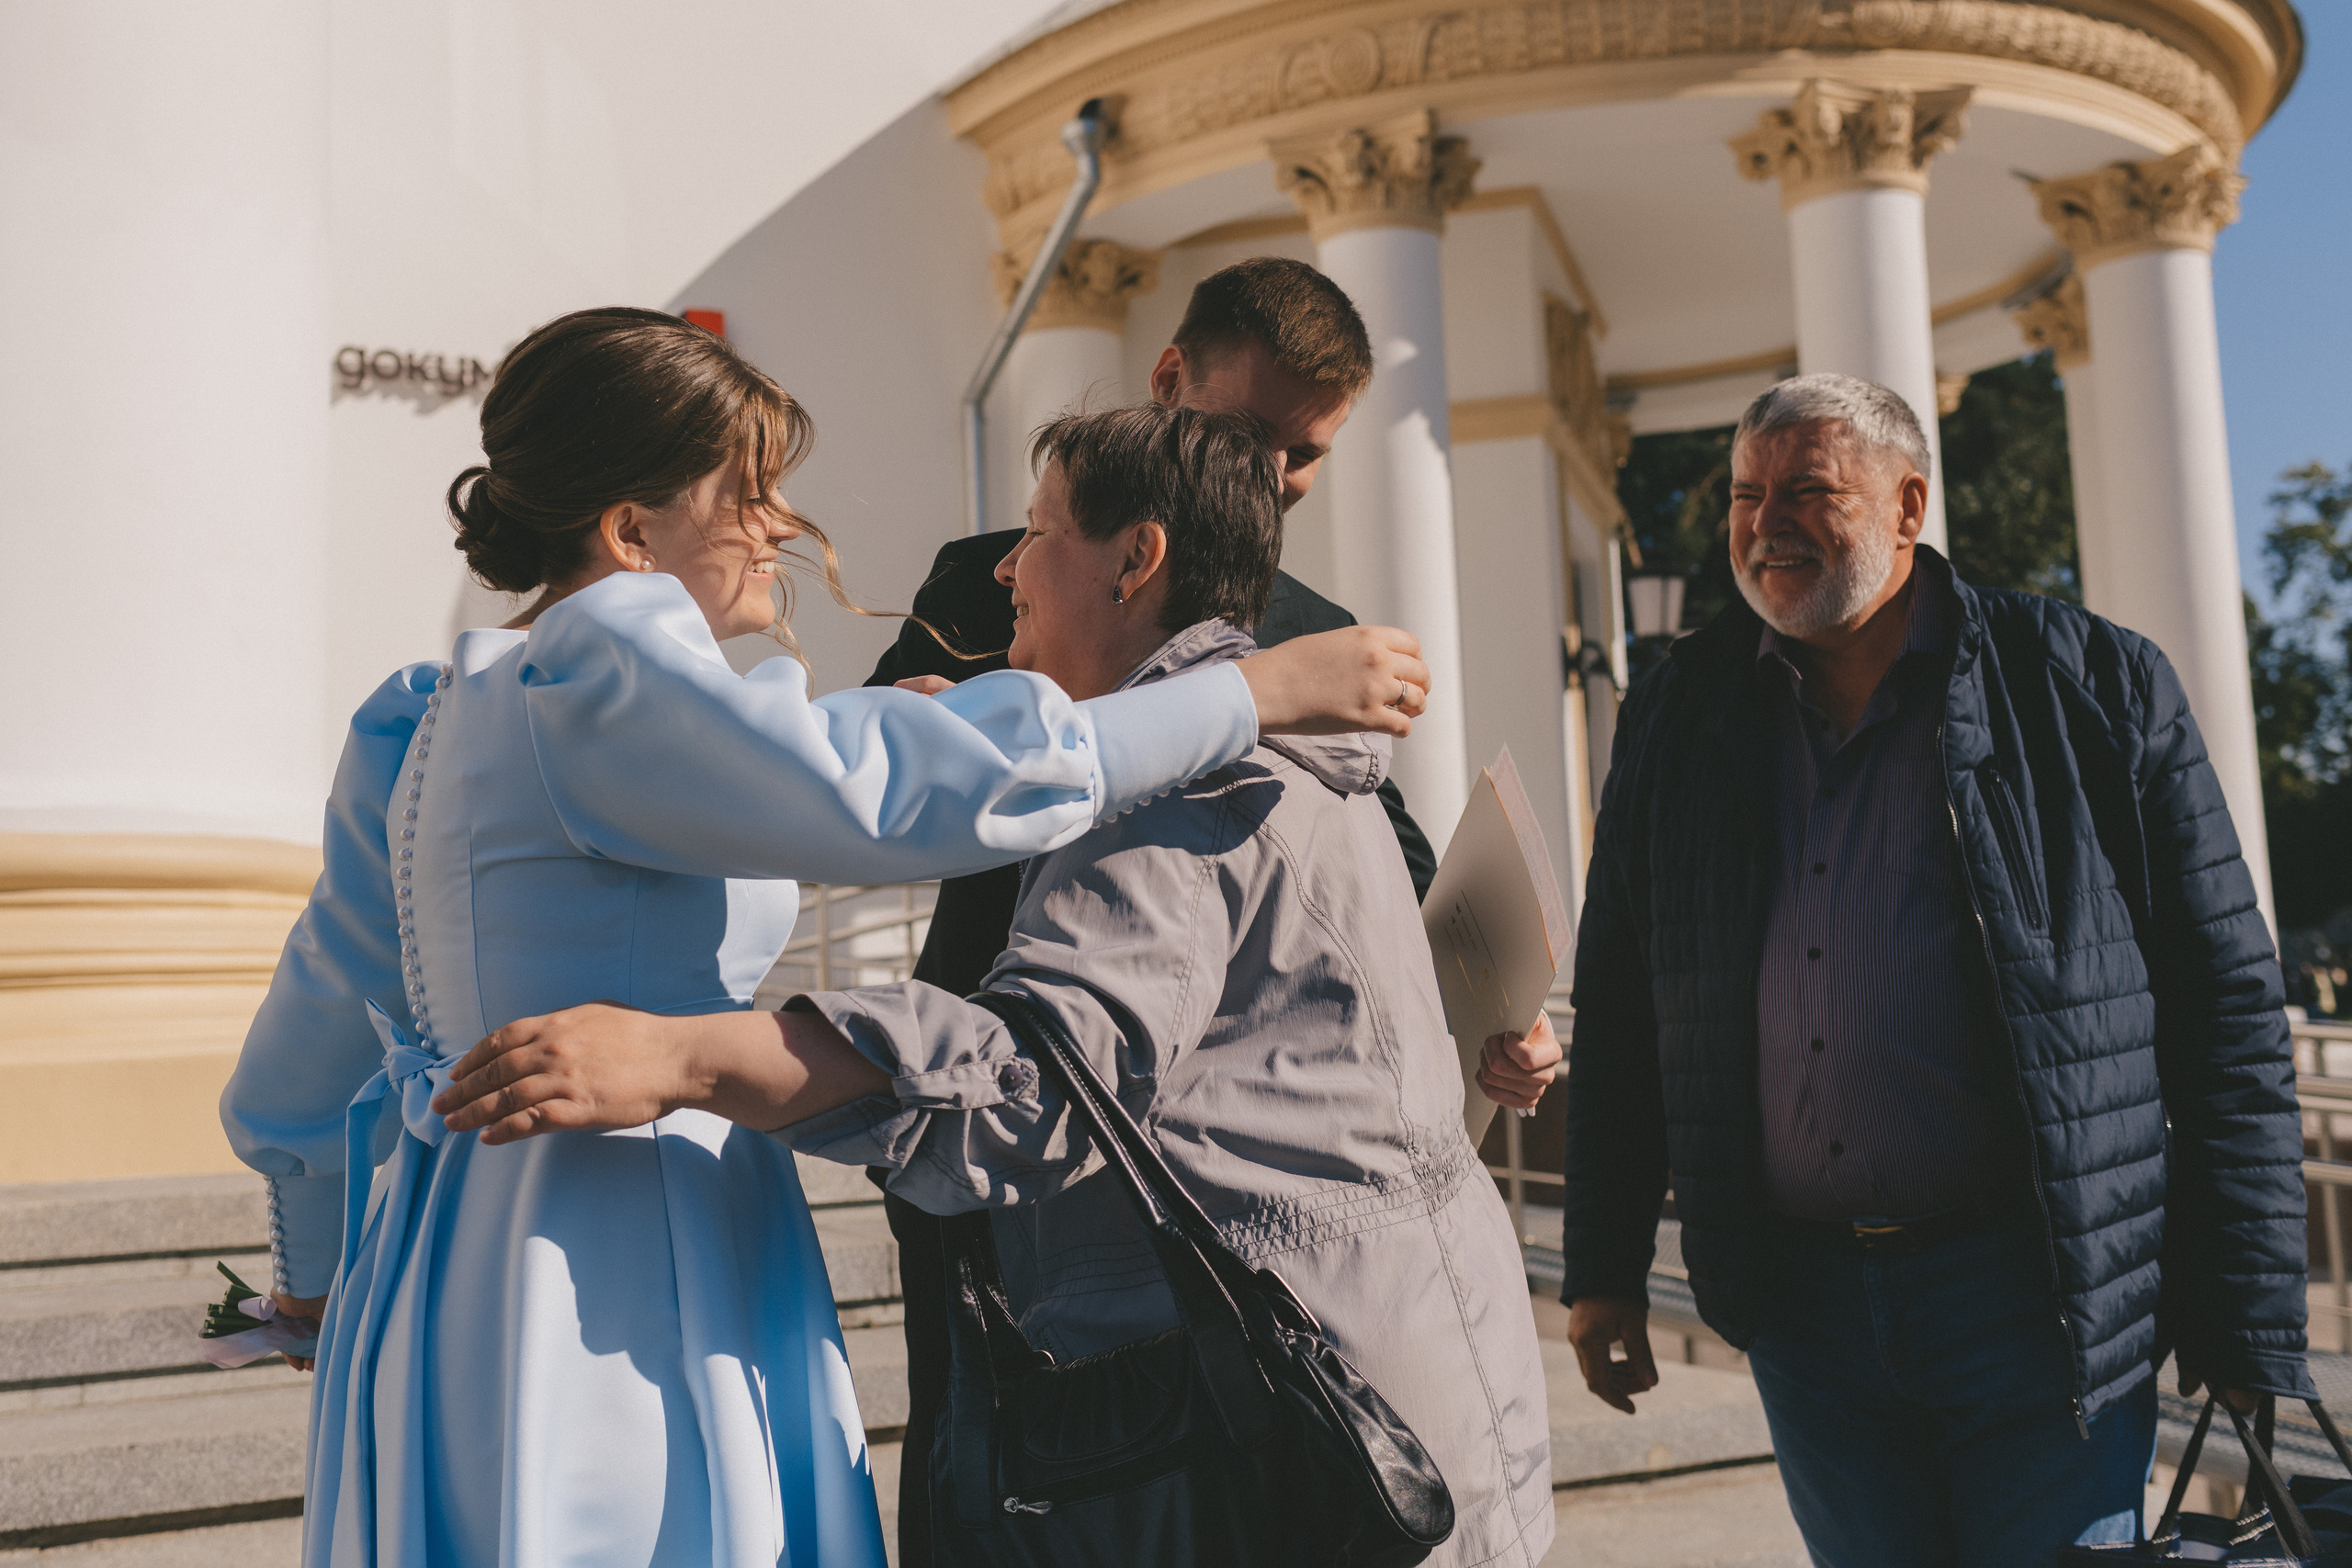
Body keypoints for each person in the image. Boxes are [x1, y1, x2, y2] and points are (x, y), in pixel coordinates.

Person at [218, 308, 1430, 1567]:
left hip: (449, 1248)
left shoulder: (428, 715)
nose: (782, 525)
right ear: (631, 533)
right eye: (746, 493)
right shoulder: (607, 663)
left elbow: (309, 1041)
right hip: (621, 1240)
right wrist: (1247, 692)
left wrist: (309, 1276)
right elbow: (875, 793)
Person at [432, 403, 1560, 1565]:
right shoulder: (1283, 753)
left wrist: (682, 1058)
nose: (1008, 567)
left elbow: (1037, 1085)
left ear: (1136, 560)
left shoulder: (1181, 792)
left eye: (1039, 531)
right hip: (1397, 1368)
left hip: (1293, 1421)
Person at [1556, 372, 2311, 1562]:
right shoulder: (1677, 713)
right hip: (1803, 1306)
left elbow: (2228, 1012)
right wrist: (1600, 1259)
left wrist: (2253, 1314)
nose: (1767, 524)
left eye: (1810, 489)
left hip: (2035, 1293)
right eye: (1748, 496)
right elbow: (1621, 1011)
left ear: (1911, 505)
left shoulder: (2092, 686)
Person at [861, 255, 1448, 1562]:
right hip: (1002, 1088)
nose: (1283, 477)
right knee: (977, 1450)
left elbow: (1395, 863)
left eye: (1309, 456)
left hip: (1213, 1158)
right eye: (1257, 436)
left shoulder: (1320, 623)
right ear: (1171, 378)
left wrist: (1496, 997)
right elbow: (899, 768)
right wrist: (1238, 698)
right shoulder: (998, 573)